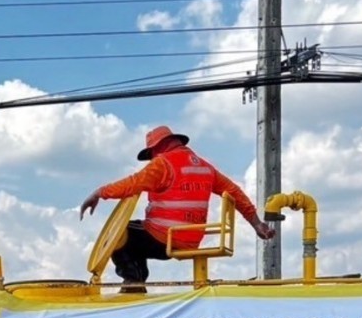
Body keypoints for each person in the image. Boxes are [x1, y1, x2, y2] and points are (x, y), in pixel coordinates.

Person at [78, 125, 276, 292]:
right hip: (191, 239)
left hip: (163, 236)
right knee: (134, 234)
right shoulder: (205, 167)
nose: (152, 158)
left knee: (118, 232)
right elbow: (235, 192)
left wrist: (100, 193)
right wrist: (256, 223)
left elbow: (133, 183)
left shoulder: (163, 164)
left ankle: (133, 282)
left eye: (151, 153)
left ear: (159, 146)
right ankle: (137, 280)